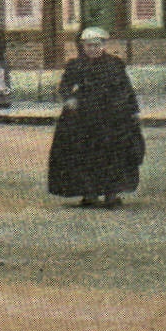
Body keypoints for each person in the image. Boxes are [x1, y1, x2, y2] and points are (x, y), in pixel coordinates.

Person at [47, 27, 145, 208]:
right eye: (89, 45)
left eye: (96, 45)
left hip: (112, 117)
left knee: (113, 155)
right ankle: (89, 193)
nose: (93, 49)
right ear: (83, 47)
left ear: (103, 45)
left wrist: (133, 111)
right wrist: (69, 99)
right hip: (84, 119)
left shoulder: (114, 64)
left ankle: (111, 194)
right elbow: (65, 87)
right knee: (85, 156)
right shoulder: (76, 65)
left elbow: (126, 88)